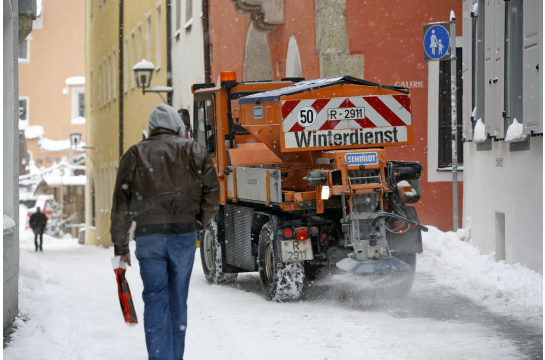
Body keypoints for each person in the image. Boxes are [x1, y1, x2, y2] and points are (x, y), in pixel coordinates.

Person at [110, 104, 220, 360]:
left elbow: (121, 205)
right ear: (177, 126)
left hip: (149, 237)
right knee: (177, 301)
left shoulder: (135, 154)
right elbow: (212, 194)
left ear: (151, 129)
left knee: (155, 300)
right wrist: (199, 223)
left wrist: (121, 247)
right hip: (183, 235)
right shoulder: (194, 150)